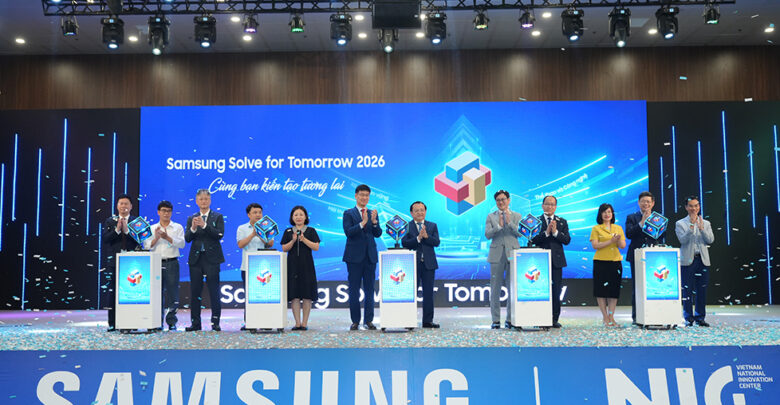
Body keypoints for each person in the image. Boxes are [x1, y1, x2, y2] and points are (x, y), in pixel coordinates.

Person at [342, 184, 383, 331]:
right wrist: (363, 223)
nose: (364, 198)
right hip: (353, 257)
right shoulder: (348, 213)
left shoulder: (373, 213)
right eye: (362, 195)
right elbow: (348, 232)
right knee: (354, 289)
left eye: (367, 195)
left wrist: (374, 222)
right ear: (356, 196)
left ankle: (369, 320)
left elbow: (378, 233)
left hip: (370, 257)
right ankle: (355, 321)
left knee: (370, 290)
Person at [184, 189, 225, 332]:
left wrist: (205, 226)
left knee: (214, 291)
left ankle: (215, 322)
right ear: (197, 201)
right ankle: (195, 323)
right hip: (196, 260)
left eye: (206, 199)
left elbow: (219, 234)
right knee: (195, 292)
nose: (203, 201)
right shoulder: (192, 218)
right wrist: (193, 228)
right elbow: (187, 238)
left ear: (210, 201)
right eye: (201, 199)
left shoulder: (217, 216)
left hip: (212, 259)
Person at [625, 191, 666, 324]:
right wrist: (642, 222)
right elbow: (629, 234)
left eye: (648, 202)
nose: (645, 204)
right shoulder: (632, 217)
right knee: (637, 287)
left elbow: (661, 236)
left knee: (654, 286)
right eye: (643, 201)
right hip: (636, 256)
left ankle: (654, 315)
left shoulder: (658, 218)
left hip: (653, 256)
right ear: (639, 203)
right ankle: (637, 316)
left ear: (652, 203)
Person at [144, 200, 185, 331]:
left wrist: (167, 237)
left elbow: (182, 244)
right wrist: (156, 238)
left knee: (173, 294)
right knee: (156, 294)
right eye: (163, 211)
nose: (166, 213)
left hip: (172, 262)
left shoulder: (177, 227)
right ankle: (157, 322)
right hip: (155, 263)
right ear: (158, 212)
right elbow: (146, 246)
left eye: (168, 211)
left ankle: (171, 322)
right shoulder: (152, 228)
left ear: (171, 213)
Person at [531, 195, 571, 328]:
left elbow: (567, 240)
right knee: (539, 290)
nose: (549, 206)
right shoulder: (536, 221)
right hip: (539, 261)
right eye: (547, 204)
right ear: (542, 205)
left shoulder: (562, 222)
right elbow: (532, 239)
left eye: (552, 204)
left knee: (555, 290)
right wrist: (546, 233)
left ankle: (554, 318)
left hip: (556, 261)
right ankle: (539, 317)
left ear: (556, 207)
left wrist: (555, 232)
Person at [485, 190, 523, 329]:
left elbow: (520, 233)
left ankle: (510, 319)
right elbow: (487, 235)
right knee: (495, 289)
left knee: (513, 288)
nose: (501, 202)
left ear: (508, 200)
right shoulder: (491, 216)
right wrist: (499, 226)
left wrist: (509, 223)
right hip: (496, 255)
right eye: (498, 200)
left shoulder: (517, 215)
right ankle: (495, 320)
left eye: (503, 199)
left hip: (513, 254)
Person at [101, 194, 139, 332]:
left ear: (131, 206)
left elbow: (140, 240)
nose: (124, 206)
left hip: (131, 262)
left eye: (126, 203)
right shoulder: (110, 221)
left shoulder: (136, 222)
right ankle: (112, 323)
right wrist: (117, 230)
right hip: (114, 261)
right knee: (113, 292)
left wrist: (127, 231)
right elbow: (105, 239)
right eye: (121, 203)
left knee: (131, 292)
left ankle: (131, 322)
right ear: (117, 206)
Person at [675, 196, 714, 327]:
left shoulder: (706, 223)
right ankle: (688, 318)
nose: (694, 208)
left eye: (696, 206)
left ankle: (700, 317)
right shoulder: (680, 223)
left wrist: (702, 229)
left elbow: (710, 240)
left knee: (701, 290)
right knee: (687, 290)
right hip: (688, 261)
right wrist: (691, 226)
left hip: (702, 260)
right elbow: (682, 240)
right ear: (686, 207)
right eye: (691, 206)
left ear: (699, 207)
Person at [401, 201, 441, 328]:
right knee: (411, 293)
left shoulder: (432, 225)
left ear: (425, 211)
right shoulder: (407, 226)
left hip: (429, 265)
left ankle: (427, 321)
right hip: (412, 265)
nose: (420, 212)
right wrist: (418, 238)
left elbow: (437, 242)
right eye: (417, 210)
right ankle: (409, 321)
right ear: (411, 213)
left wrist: (426, 236)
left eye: (422, 210)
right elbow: (404, 243)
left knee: (428, 294)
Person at [281, 206, 321, 331]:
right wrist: (293, 241)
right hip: (292, 266)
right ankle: (297, 323)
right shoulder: (288, 232)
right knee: (295, 296)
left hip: (307, 266)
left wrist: (304, 240)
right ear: (292, 217)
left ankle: (304, 323)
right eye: (296, 215)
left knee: (307, 295)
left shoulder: (311, 231)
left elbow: (316, 247)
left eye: (301, 215)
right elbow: (284, 248)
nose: (298, 217)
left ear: (305, 217)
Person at [589, 203, 626, 327]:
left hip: (615, 262)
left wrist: (618, 240)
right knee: (601, 291)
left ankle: (611, 317)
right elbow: (595, 245)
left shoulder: (618, 228)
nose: (607, 214)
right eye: (604, 212)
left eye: (609, 212)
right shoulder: (596, 228)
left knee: (613, 292)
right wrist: (611, 241)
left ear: (612, 214)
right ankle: (605, 317)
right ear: (600, 214)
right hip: (600, 262)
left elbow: (622, 246)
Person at [236, 202, 274, 284]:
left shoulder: (268, 227)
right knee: (248, 290)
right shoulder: (242, 228)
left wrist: (260, 235)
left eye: (260, 212)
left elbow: (270, 244)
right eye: (255, 212)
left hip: (264, 267)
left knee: (265, 288)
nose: (258, 215)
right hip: (247, 266)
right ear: (249, 215)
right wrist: (252, 235)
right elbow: (240, 245)